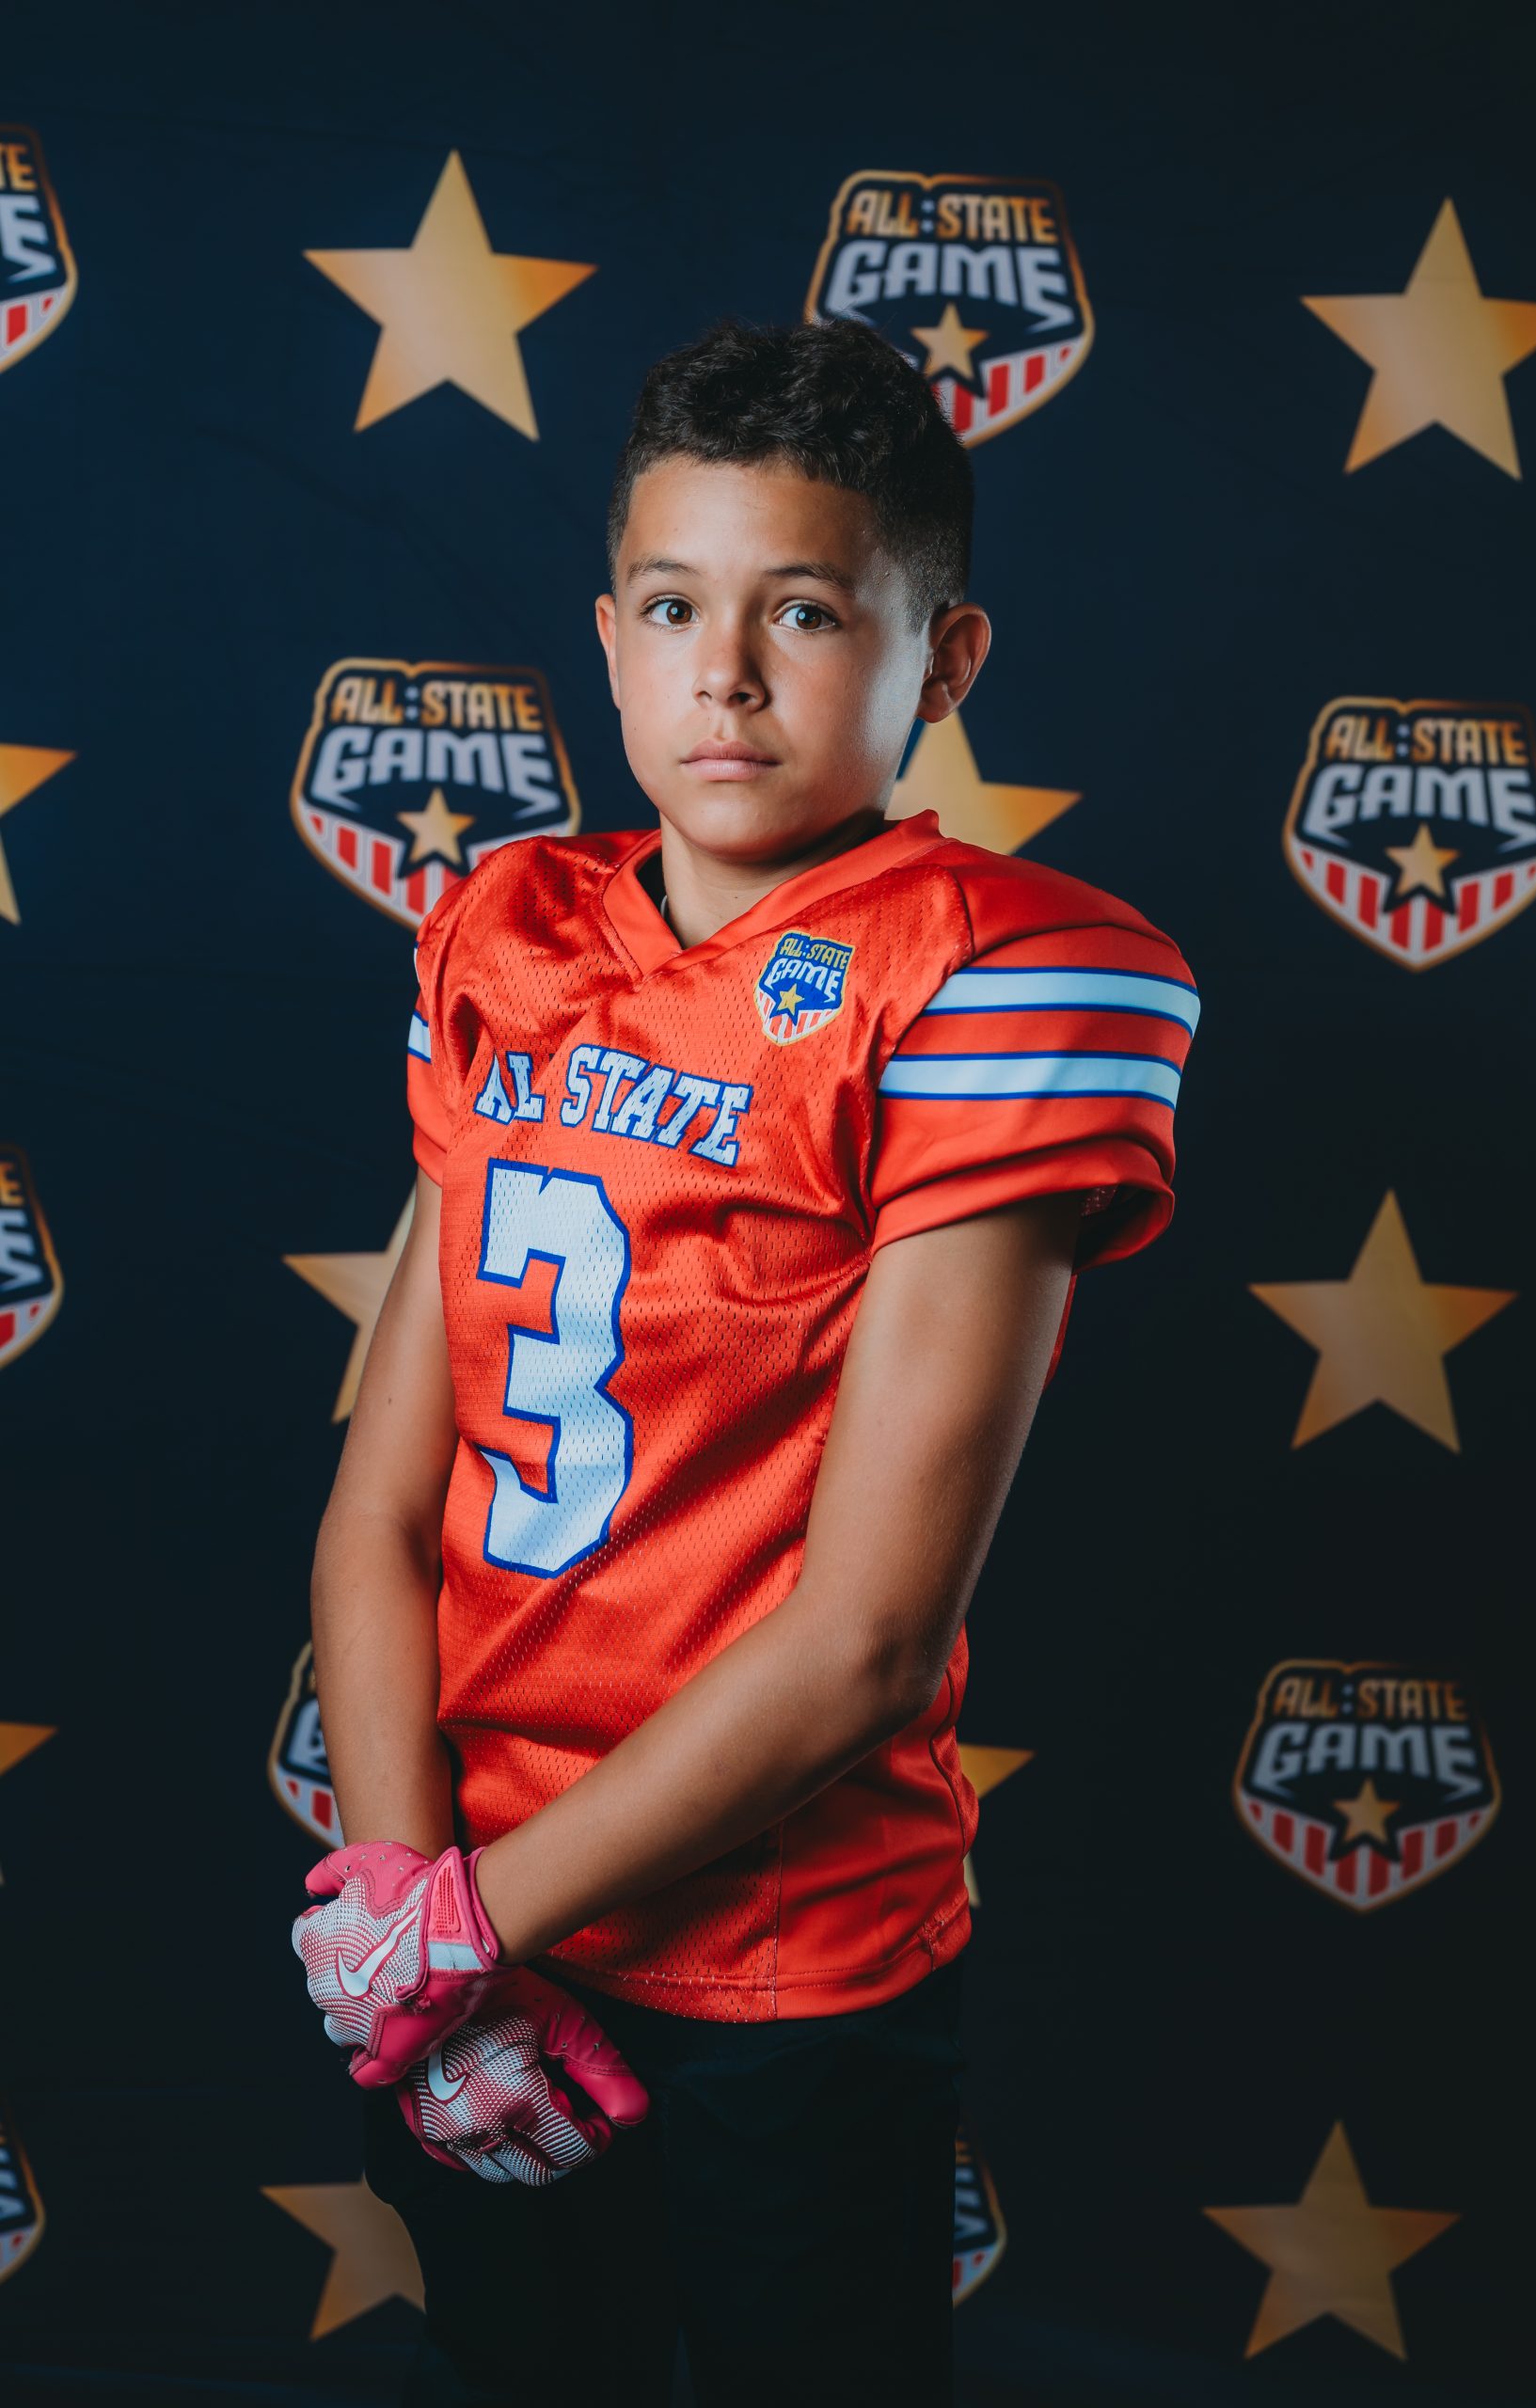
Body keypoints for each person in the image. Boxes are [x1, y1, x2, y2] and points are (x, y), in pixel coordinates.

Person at [292, 316, 1197, 2406]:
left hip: (778, 1953)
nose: (726, 675)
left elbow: (869, 1639)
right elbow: (380, 1505)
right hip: (461, 1879)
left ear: (941, 661)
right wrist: (409, 1918)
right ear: (610, 639)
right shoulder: (511, 933)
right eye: (676, 607)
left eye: (803, 611)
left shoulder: (992, 972)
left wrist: (462, 1932)